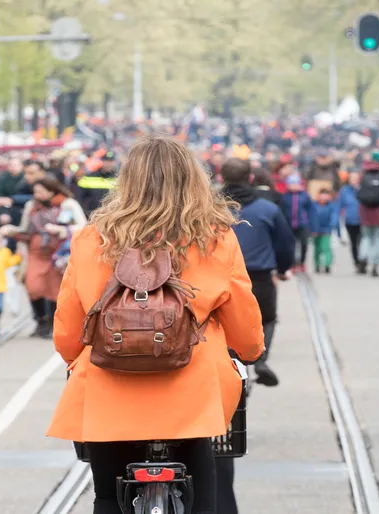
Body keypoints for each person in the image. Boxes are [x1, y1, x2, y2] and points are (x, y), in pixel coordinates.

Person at [46, 135, 264, 514]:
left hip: (110, 383)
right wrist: (250, 351)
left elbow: (68, 324)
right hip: (191, 386)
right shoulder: (214, 238)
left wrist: (71, 355)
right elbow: (242, 315)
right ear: (192, 181)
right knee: (203, 496)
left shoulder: (91, 238)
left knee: (108, 497)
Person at [221, 156, 294, 386]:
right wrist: (282, 269)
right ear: (250, 178)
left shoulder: (210, 207)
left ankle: (227, 361)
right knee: (267, 318)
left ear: (222, 178)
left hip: (221, 275)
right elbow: (285, 243)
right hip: (259, 275)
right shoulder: (267, 208)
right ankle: (260, 359)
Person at [15, 177, 86, 338]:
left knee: (55, 289)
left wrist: (61, 230)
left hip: (58, 253)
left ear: (51, 190)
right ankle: (40, 319)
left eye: (40, 191)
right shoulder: (31, 206)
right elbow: (24, 228)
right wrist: (14, 234)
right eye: (35, 192)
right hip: (36, 251)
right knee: (33, 286)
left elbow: (83, 226)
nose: (37, 195)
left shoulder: (68, 204)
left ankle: (52, 324)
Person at [281, 172, 315, 272]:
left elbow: (311, 210)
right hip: (289, 224)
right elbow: (282, 211)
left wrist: (311, 224)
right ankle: (292, 264)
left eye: (296, 184)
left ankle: (302, 262)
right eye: (291, 184)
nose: (294, 186)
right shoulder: (285, 197)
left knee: (304, 243)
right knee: (291, 245)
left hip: (302, 224)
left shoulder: (305, 196)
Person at [74, 150, 117, 217]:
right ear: (102, 161)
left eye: (111, 161)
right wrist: (85, 213)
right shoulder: (89, 177)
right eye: (106, 161)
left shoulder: (120, 178)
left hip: (112, 217)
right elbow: (79, 197)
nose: (108, 164)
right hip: (91, 216)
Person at [338, 171, 363, 272]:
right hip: (350, 220)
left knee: (362, 242)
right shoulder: (344, 191)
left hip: (362, 220)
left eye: (356, 178)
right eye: (352, 178)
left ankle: (363, 261)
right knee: (353, 242)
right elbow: (340, 205)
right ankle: (356, 262)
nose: (354, 181)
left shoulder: (363, 190)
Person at [311, 188, 339, 274]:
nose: (323, 198)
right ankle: (317, 264)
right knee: (317, 248)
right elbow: (311, 217)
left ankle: (327, 264)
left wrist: (333, 225)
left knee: (326, 248)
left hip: (326, 230)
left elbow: (334, 217)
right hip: (315, 230)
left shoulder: (331, 206)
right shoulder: (314, 205)